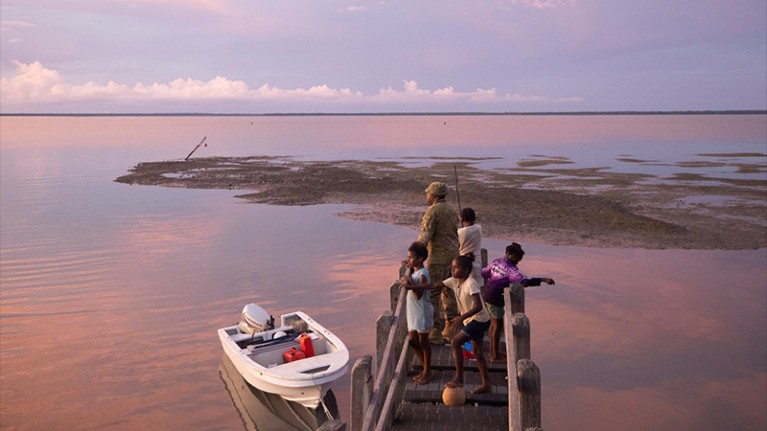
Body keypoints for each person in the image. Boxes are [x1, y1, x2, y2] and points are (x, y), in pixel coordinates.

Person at [405, 255, 492, 394]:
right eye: (452, 268)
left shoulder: (471, 283)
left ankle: (459, 378)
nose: (452, 270)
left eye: (455, 268)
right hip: (471, 320)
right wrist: (413, 286)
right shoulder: (454, 281)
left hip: (480, 320)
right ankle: (486, 384)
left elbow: (479, 306)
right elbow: (433, 285)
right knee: (478, 353)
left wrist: (461, 317)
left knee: (456, 342)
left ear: (465, 270)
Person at [481, 243, 555, 363]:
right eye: (517, 259)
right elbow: (524, 281)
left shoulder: (497, 261)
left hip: (487, 295)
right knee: (497, 326)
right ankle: (494, 355)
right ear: (512, 255)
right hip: (495, 299)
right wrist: (543, 279)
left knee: (494, 325)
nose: (517, 262)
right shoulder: (511, 269)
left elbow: (484, 273)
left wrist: (494, 282)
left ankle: (493, 351)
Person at [417, 181, 460, 345]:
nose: (426, 196)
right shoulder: (450, 210)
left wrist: (414, 255)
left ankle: (435, 331)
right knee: (450, 293)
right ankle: (450, 329)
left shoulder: (432, 212)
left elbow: (425, 237)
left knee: (433, 295)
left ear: (434, 196)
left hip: (438, 259)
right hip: (454, 258)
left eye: (428, 193)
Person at [400, 241, 434, 384]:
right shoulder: (415, 271)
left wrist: (408, 280)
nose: (409, 260)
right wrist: (409, 272)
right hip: (413, 313)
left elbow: (419, 293)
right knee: (414, 341)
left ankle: (427, 371)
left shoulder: (423, 274)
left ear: (420, 258)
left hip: (421, 312)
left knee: (423, 342)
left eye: (411, 257)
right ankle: (426, 368)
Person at [457, 207, 483, 288]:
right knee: (477, 287)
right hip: (477, 262)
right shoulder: (479, 228)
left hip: (463, 263)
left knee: (464, 288)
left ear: (462, 219)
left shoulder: (460, 232)